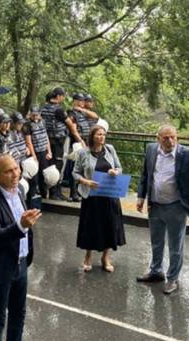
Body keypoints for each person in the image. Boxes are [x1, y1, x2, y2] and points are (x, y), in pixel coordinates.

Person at [135, 125, 189, 294]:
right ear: (158, 139)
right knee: (156, 241)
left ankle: (173, 279)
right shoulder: (151, 150)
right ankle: (156, 272)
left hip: (176, 206)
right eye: (165, 138)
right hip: (154, 204)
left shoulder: (188, 153)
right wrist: (141, 197)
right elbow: (145, 174)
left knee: (175, 246)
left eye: (173, 137)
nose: (170, 141)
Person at [0, 153, 41, 341]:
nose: (16, 174)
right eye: (9, 171)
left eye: (16, 168)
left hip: (20, 264)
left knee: (18, 315)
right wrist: (21, 226)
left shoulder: (20, 189)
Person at [72, 125, 125, 272]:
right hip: (92, 196)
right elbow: (75, 173)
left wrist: (115, 172)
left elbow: (120, 168)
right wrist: (85, 181)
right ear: (92, 137)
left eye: (103, 134)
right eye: (98, 135)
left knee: (109, 225)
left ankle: (105, 257)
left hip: (109, 194)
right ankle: (88, 257)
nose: (102, 137)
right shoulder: (83, 153)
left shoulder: (110, 149)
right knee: (91, 226)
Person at [40, 87, 69, 200]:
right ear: (58, 97)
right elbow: (69, 123)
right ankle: (55, 193)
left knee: (46, 166)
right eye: (63, 96)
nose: (63, 98)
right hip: (56, 142)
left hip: (45, 142)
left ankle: (44, 191)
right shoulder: (59, 110)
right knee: (57, 166)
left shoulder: (42, 109)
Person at [64, 93, 90, 202]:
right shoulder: (72, 113)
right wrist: (81, 140)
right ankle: (73, 193)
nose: (83, 102)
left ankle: (79, 192)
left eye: (83, 100)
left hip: (84, 141)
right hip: (76, 144)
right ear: (75, 101)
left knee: (82, 167)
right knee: (75, 168)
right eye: (80, 100)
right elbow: (73, 129)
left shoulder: (81, 113)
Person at [23, 106, 52, 200]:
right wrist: (34, 155)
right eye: (34, 114)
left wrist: (49, 151)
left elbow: (46, 136)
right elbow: (28, 141)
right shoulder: (27, 125)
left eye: (37, 114)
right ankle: (32, 197)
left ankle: (44, 195)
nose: (35, 116)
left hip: (44, 151)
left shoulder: (43, 122)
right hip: (34, 152)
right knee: (34, 176)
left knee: (44, 174)